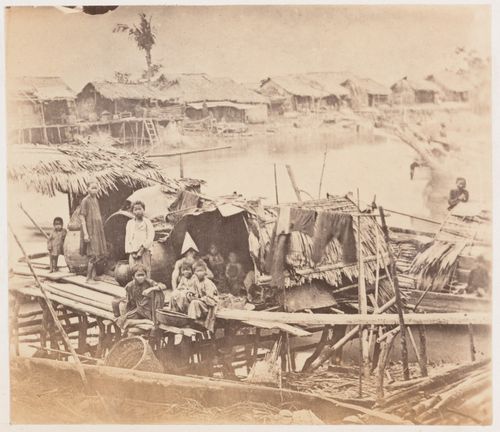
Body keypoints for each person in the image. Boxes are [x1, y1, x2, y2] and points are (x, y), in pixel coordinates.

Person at [116, 265, 165, 330]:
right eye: (138, 275)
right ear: (133, 277)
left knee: (158, 292)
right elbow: (129, 302)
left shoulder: (149, 282)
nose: (141, 278)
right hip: (138, 309)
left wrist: (150, 289)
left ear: (146, 276)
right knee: (122, 320)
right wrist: (128, 313)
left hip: (149, 309)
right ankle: (144, 321)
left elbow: (163, 286)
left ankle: (152, 319)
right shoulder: (129, 286)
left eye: (143, 275)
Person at [79, 180, 108, 283]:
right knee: (92, 254)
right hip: (90, 231)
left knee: (97, 254)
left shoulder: (95, 199)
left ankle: (94, 275)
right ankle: (88, 278)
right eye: (92, 188)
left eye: (96, 188)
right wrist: (86, 233)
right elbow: (82, 217)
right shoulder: (85, 201)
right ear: (87, 189)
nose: (94, 190)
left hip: (97, 230)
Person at [125, 200, 155, 277]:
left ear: (143, 210)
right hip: (133, 251)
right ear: (132, 211)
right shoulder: (130, 223)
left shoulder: (147, 222)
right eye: (136, 209)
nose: (138, 211)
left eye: (140, 209)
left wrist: (142, 250)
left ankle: (146, 286)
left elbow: (150, 236)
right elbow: (128, 238)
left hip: (144, 251)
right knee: (134, 269)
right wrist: (132, 252)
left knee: (145, 269)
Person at [188, 263, 219, 331]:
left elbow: (212, 299)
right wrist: (190, 294)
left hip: (210, 305)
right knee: (190, 301)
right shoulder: (196, 282)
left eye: (201, 271)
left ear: (205, 272)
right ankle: (192, 320)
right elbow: (192, 291)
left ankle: (193, 321)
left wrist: (200, 299)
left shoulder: (208, 283)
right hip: (202, 303)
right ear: (194, 273)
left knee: (194, 302)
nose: (200, 273)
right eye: (197, 271)